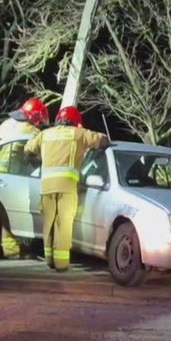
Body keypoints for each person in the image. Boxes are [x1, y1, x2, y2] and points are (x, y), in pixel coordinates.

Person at [23, 106, 109, 272]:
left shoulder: (45, 134)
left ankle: (49, 259)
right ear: (76, 122)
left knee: (49, 223)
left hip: (46, 187)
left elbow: (27, 150)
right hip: (67, 187)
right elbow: (102, 141)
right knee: (63, 224)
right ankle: (61, 263)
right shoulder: (78, 134)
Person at [0, 98, 49, 259]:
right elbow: (39, 156)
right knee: (7, 212)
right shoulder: (33, 132)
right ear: (35, 117)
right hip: (8, 177)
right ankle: (11, 249)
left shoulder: (5, 124)